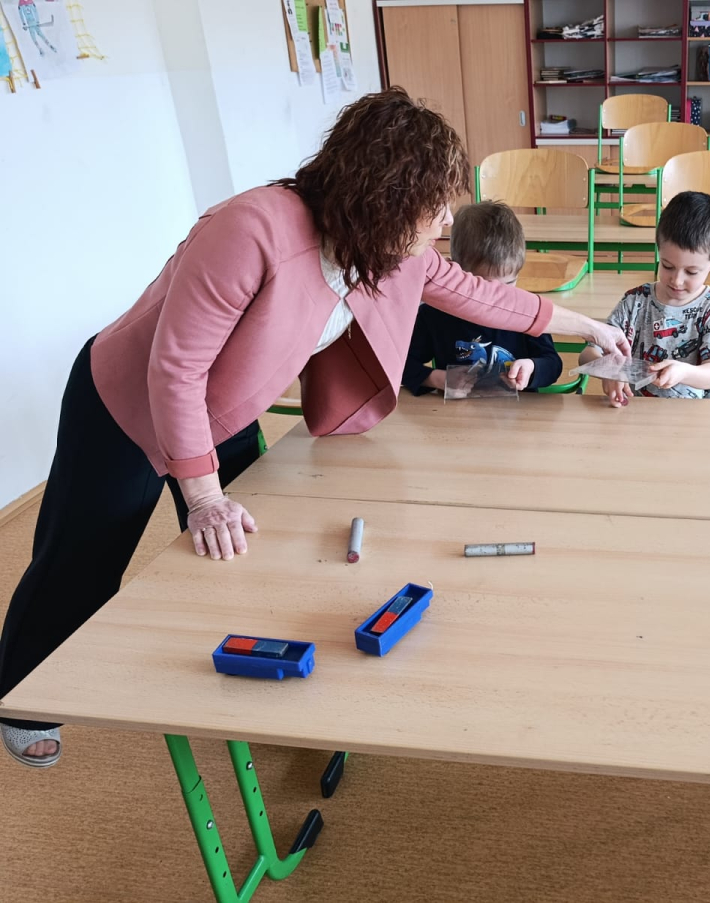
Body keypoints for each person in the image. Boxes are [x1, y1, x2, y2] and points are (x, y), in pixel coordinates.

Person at [0, 88, 628, 768]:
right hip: (124, 406)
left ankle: (255, 672)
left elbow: (479, 295)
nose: (447, 220)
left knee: (248, 553)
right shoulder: (249, 230)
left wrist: (586, 325)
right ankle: (19, 701)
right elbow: (174, 370)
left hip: (225, 407)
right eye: (436, 204)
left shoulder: (389, 247)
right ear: (387, 194)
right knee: (82, 563)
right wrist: (203, 496)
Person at [578, 191, 710, 407]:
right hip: (636, 411)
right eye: (667, 266)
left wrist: (683, 372)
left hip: (691, 414)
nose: (677, 280)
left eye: (692, 272)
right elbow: (588, 354)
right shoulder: (635, 300)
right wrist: (610, 370)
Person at [403, 201, 562, 396]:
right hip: (456, 413)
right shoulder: (433, 315)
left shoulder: (527, 310)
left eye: (509, 284)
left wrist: (532, 367)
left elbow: (553, 365)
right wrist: (438, 379)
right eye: (485, 289)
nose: (499, 299)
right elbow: (401, 365)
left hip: (520, 412)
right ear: (453, 274)